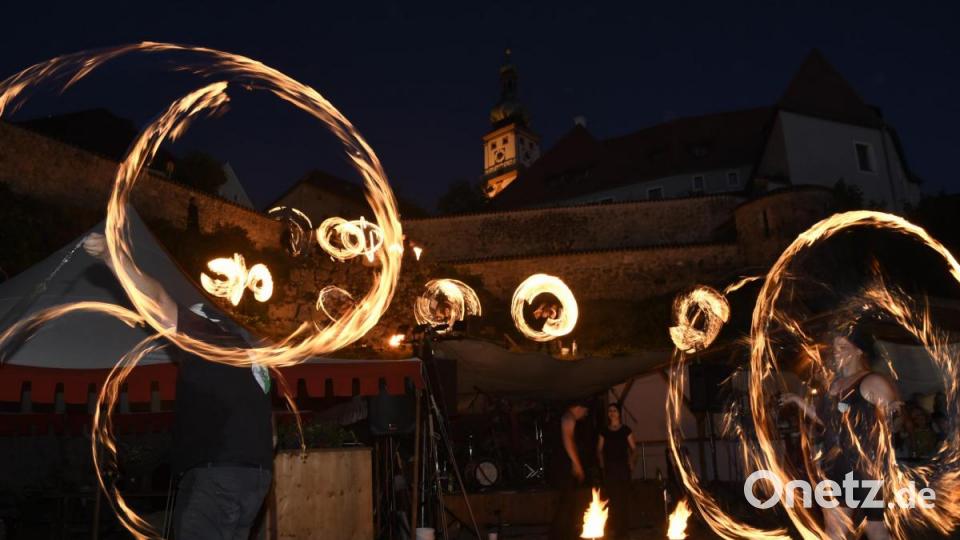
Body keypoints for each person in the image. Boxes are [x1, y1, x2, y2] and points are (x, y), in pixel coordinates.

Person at [83, 232, 274, 539]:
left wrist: (110, 255)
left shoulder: (206, 335)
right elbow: (270, 430)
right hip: (254, 479)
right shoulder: (253, 360)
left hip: (218, 475)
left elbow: (157, 298)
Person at [780, 325, 901, 540]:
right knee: (835, 533)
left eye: (843, 347)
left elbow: (895, 417)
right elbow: (826, 419)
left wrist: (893, 412)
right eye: (834, 347)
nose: (836, 352)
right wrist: (799, 401)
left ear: (859, 351)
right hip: (835, 466)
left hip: (864, 469)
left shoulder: (871, 381)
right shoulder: (834, 384)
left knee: (875, 528)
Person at [550, 400, 596, 540]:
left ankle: (563, 534)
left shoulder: (566, 417)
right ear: (579, 407)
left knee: (567, 502)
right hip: (563, 466)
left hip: (562, 466)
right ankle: (561, 535)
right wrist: (577, 464)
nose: (585, 414)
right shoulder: (568, 417)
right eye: (585, 411)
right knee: (566, 502)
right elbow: (568, 440)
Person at [597, 402, 637, 539]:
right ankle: (615, 531)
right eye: (609, 411)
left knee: (623, 499)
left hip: (623, 469)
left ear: (619, 413)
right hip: (610, 469)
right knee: (613, 500)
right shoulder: (604, 431)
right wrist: (601, 462)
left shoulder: (626, 430)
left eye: (614, 410)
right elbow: (599, 449)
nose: (611, 413)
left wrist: (631, 461)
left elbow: (634, 449)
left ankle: (624, 532)